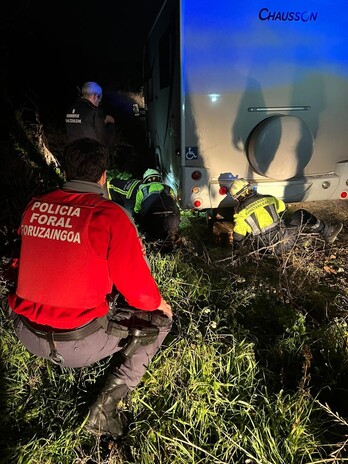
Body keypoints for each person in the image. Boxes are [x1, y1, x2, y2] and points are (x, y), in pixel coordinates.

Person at [5, 138, 173, 439]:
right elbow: (142, 296)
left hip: (27, 333)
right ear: (104, 176)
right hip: (80, 344)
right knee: (159, 321)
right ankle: (105, 408)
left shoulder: (33, 207)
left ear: (66, 171)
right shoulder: (109, 216)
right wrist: (158, 304)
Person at [229, 178, 343, 253]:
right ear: (248, 189)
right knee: (301, 214)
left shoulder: (240, 213)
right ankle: (327, 231)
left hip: (266, 251)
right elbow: (282, 207)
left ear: (237, 197)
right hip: (286, 241)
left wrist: (235, 252)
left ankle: (302, 242)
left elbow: (238, 237)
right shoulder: (268, 198)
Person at [108, 168, 181, 244]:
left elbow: (137, 210)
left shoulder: (142, 189)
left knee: (141, 217)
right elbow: (173, 203)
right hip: (173, 220)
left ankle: (148, 240)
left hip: (153, 222)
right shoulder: (169, 188)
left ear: (145, 180)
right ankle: (175, 235)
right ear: (159, 178)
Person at [65, 81, 115, 155]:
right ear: (95, 96)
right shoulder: (95, 112)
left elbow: (83, 125)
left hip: (73, 158)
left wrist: (100, 122)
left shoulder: (70, 110)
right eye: (100, 98)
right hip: (91, 160)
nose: (100, 101)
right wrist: (110, 124)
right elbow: (104, 141)